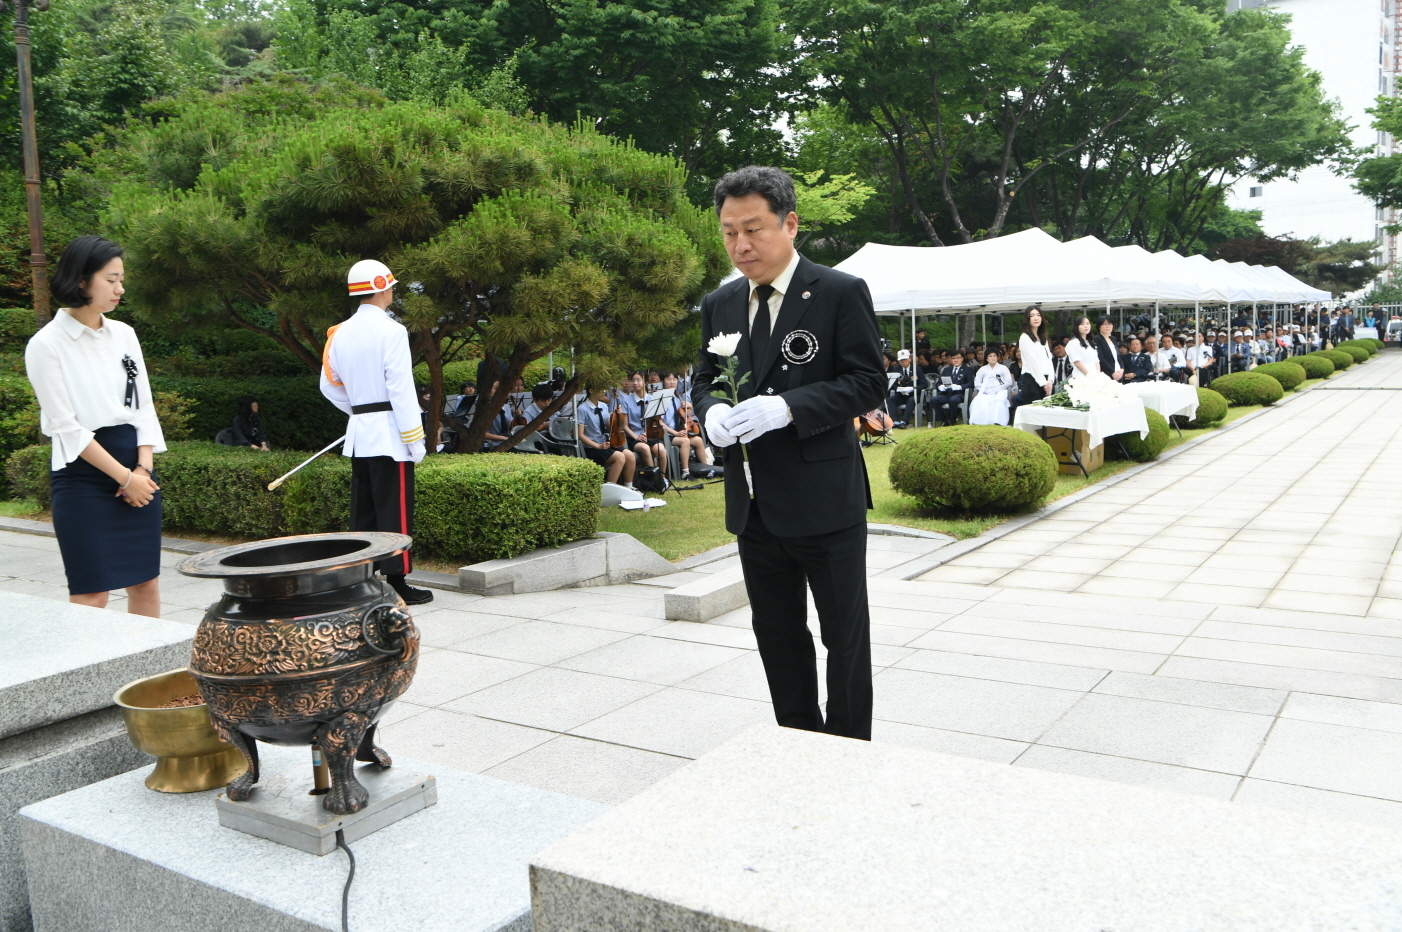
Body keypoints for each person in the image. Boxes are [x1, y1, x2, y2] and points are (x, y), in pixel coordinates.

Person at [694, 166, 885, 741]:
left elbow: (867, 381)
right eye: (728, 232)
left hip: (825, 502)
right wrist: (709, 412)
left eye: (753, 229)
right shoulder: (721, 303)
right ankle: (796, 739)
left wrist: (789, 408)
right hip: (754, 504)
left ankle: (849, 747)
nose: (740, 245)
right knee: (776, 635)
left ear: (790, 223)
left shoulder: (838, 292)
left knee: (843, 639)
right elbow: (704, 376)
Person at [25, 235, 165, 615]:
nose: (120, 289)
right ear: (82, 279)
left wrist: (143, 469)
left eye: (121, 279)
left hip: (138, 468)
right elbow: (66, 427)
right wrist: (125, 478)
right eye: (111, 279)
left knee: (146, 586)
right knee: (91, 595)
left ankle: (147, 674)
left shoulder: (124, 334)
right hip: (82, 476)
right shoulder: (46, 345)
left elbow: (144, 407)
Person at [319, 259, 433, 606]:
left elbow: (329, 386)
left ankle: (362, 580)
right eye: (391, 285)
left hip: (361, 433)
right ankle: (397, 583)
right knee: (394, 511)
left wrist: (359, 412)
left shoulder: (340, 332)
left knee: (365, 511)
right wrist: (415, 439)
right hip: (389, 435)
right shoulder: (392, 331)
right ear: (383, 287)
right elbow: (400, 389)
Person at [579, 387, 637, 486]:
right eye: (601, 389)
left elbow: (610, 428)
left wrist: (616, 416)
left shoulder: (604, 406)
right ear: (591, 390)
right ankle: (610, 489)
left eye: (605, 389)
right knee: (620, 457)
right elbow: (580, 435)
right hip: (592, 448)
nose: (604, 391)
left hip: (605, 445)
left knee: (630, 455)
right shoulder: (582, 409)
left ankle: (629, 487)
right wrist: (598, 446)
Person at [1017, 306, 1054, 404]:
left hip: (1046, 381)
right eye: (1032, 316)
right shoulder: (1024, 338)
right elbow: (1031, 362)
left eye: (1038, 315)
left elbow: (1049, 360)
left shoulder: (1043, 338)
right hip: (1032, 381)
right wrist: (1043, 384)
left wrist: (1050, 380)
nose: (1036, 318)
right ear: (1027, 319)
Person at [969, 348, 1013, 425]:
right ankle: (979, 422)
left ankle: (998, 422)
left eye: (994, 356)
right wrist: (985, 389)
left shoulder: (1003, 368)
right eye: (990, 356)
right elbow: (977, 382)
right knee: (978, 401)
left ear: (997, 357)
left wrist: (998, 389)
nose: (993, 358)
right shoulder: (982, 369)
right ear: (986, 358)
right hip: (985, 391)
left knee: (998, 402)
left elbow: (1009, 381)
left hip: (1000, 391)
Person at [931, 350, 972, 425]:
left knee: (953, 400)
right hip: (947, 393)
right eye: (953, 358)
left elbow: (971, 383)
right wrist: (940, 386)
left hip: (959, 394)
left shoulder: (967, 369)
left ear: (962, 358)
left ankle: (953, 421)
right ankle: (944, 420)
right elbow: (939, 382)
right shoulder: (946, 369)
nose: (956, 360)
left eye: (958, 358)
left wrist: (960, 387)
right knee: (934, 400)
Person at [887, 348, 916, 428]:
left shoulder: (916, 369)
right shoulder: (896, 369)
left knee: (911, 400)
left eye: (905, 359)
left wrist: (913, 388)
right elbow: (892, 383)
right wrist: (898, 389)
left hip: (913, 394)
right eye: (901, 360)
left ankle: (904, 421)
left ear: (910, 359)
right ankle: (895, 421)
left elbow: (923, 384)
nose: (903, 361)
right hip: (901, 394)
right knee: (890, 399)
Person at [1092, 316, 1123, 381]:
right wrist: (1112, 372)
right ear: (1099, 326)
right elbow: (1100, 358)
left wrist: (1122, 369)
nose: (1107, 326)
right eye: (1104, 324)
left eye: (1109, 324)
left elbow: (1119, 355)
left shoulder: (1113, 339)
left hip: (1119, 372)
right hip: (1107, 374)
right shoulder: (1096, 339)